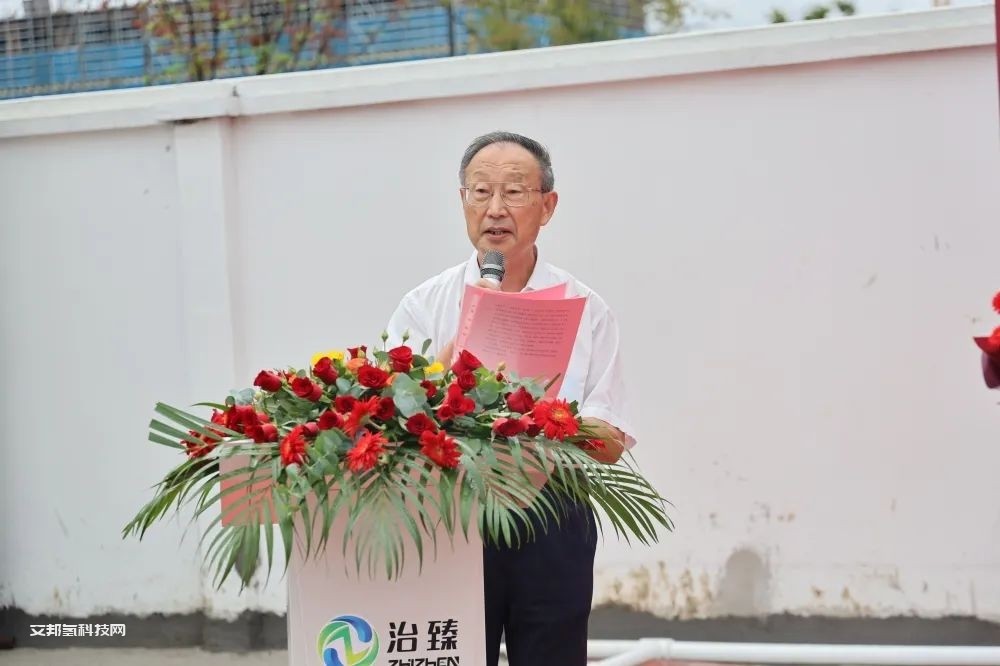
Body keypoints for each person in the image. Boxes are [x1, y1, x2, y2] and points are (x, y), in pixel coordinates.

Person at [384, 131, 635, 666]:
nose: (495, 209)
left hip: (551, 512)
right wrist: (439, 375)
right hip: (452, 511)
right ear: (462, 202)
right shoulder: (423, 306)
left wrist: (547, 420)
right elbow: (388, 424)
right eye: (480, 192)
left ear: (548, 206)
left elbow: (610, 441)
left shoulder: (586, 308)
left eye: (515, 193)